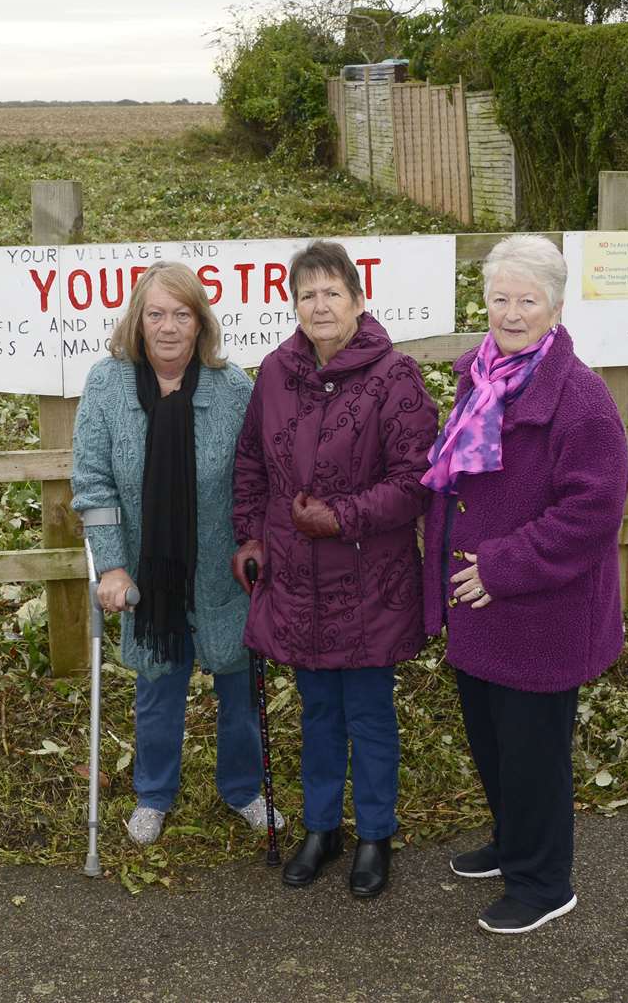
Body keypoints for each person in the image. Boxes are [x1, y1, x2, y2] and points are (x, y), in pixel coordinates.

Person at [421, 233, 628, 935]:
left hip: (539, 609)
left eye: (527, 300)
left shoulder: (582, 399)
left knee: (534, 751)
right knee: (492, 740)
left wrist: (501, 566)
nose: (511, 313)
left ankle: (544, 884)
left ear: (556, 305)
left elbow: (593, 513)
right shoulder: (482, 376)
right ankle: (514, 845)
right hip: (478, 606)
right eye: (499, 298)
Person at [232, 239, 438, 899]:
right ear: (293, 305)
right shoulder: (273, 373)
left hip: (369, 582)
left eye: (332, 292)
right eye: (307, 294)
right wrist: (249, 538)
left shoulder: (395, 378)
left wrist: (342, 516)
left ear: (357, 300)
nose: (319, 305)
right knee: (317, 710)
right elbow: (251, 467)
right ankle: (322, 829)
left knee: (370, 712)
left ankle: (376, 834)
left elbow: (418, 480)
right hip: (295, 581)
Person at [71, 262, 282, 847]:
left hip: (221, 572)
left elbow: (255, 478)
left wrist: (255, 543)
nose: (168, 327)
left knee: (238, 688)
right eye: (156, 314)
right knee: (157, 687)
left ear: (200, 324)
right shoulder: (107, 385)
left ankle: (243, 790)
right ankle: (153, 795)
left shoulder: (232, 387)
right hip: (148, 577)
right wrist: (112, 565)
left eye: (181, 315)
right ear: (138, 321)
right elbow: (92, 483)